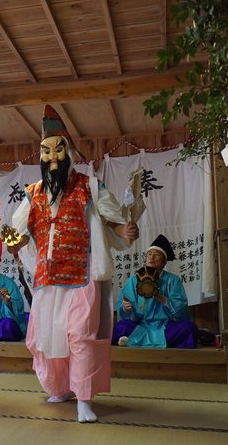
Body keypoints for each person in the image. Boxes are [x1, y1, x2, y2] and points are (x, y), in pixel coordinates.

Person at [7, 105, 139, 423]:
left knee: (80, 335)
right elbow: (19, 233)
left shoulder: (89, 186)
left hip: (83, 273)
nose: (52, 156)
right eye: (46, 150)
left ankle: (84, 398)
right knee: (43, 338)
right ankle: (59, 386)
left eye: (58, 149)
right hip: (47, 278)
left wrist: (123, 229)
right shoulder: (32, 194)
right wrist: (16, 242)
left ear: (69, 152)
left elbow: (113, 221)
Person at [113, 234, 198, 348]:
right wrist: (125, 307)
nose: (151, 257)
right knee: (121, 327)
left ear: (164, 262)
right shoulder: (135, 279)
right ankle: (151, 341)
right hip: (142, 325)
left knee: (189, 328)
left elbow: (181, 310)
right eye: (149, 254)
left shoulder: (172, 280)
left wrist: (161, 298)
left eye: (156, 254)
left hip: (166, 326)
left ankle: (133, 340)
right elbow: (124, 307)